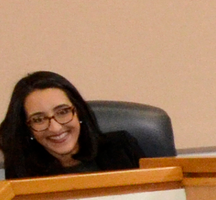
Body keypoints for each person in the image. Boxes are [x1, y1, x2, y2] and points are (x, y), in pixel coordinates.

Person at [1, 71, 142, 178]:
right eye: (38, 119)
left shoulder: (122, 148)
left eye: (63, 112)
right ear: (27, 129)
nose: (55, 128)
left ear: (79, 112)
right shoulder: (22, 171)